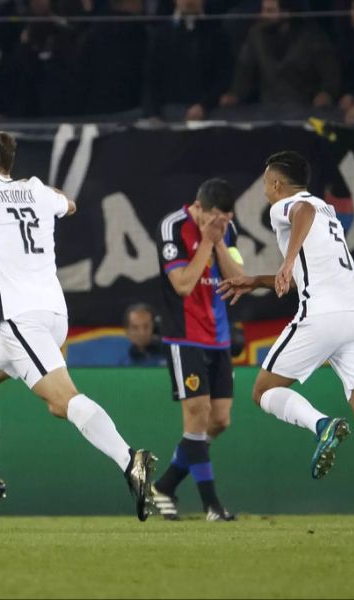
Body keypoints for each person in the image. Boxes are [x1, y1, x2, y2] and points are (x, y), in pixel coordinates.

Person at [0, 128, 156, 525]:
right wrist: (35, 191)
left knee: (63, 400)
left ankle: (131, 461)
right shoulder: (37, 190)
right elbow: (68, 204)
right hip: (51, 313)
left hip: (22, 317)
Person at [218, 151, 354, 529]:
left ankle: (321, 425)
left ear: (276, 184)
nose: (264, 191)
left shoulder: (289, 206)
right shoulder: (326, 210)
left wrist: (287, 262)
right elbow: (312, 268)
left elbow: (299, 219)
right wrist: (259, 278)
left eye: (264, 184)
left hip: (324, 315)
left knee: (263, 391)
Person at [150, 178, 245, 521]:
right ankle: (212, 505)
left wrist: (219, 242)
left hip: (218, 337)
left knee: (219, 420)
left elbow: (238, 279)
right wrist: (206, 241)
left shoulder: (227, 230)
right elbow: (183, 284)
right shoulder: (173, 227)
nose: (214, 225)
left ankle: (164, 485)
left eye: (222, 219)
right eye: (209, 218)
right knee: (198, 411)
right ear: (197, 207)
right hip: (183, 336)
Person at [119, 303, 166, 367]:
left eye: (146, 326)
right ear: (127, 332)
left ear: (153, 328)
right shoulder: (124, 365)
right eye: (135, 328)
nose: (141, 333)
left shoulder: (170, 357)